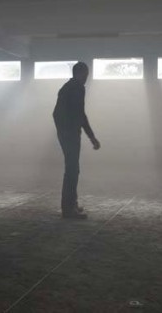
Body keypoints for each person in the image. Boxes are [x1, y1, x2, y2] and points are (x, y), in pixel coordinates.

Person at [53, 62, 101, 219]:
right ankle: (68, 209)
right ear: (80, 73)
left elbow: (56, 114)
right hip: (71, 134)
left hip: (66, 133)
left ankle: (71, 204)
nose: (87, 77)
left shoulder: (67, 87)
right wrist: (91, 136)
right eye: (86, 74)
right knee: (72, 170)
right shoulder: (78, 88)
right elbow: (81, 115)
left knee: (73, 169)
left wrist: (62, 130)